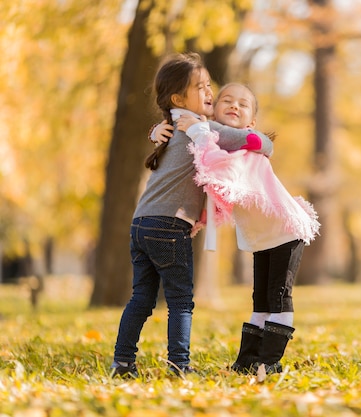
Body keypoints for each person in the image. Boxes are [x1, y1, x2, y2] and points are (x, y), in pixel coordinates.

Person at [111, 54, 274, 379]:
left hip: (141, 223)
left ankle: (123, 362)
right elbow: (262, 144)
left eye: (209, 84)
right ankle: (179, 366)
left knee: (141, 298)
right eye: (200, 87)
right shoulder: (202, 128)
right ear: (178, 98)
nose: (209, 92)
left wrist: (153, 130)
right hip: (169, 225)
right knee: (181, 301)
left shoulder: (172, 125)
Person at [159, 83, 320, 378]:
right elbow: (211, 188)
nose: (234, 105)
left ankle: (269, 361)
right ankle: (247, 362)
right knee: (260, 298)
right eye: (227, 101)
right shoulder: (217, 143)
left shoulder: (247, 148)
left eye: (243, 104)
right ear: (214, 110)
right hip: (262, 238)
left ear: (251, 122)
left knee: (279, 295)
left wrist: (199, 130)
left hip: (285, 230)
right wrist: (160, 129)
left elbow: (218, 172)